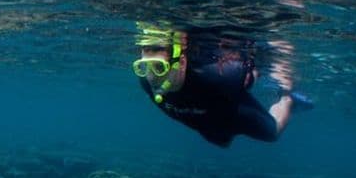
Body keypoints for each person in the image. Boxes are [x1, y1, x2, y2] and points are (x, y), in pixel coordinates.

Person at [133, 24, 311, 147]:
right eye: (143, 67)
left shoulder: (220, 77)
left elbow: (251, 74)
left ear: (181, 62)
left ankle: (288, 97)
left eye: (159, 67)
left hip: (231, 114)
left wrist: (268, 73)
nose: (151, 76)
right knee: (221, 141)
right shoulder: (145, 81)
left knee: (273, 133)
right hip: (205, 124)